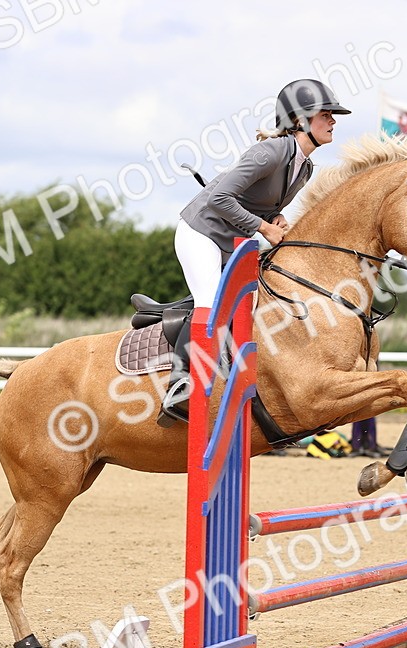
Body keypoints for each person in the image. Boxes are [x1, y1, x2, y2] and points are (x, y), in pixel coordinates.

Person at [159, 79, 352, 424]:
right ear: (301, 120)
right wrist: (265, 228)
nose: (333, 121)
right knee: (211, 304)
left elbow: (261, 204)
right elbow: (219, 199)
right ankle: (180, 385)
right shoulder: (271, 152)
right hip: (201, 232)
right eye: (326, 114)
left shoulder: (305, 168)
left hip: (234, 241)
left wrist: (275, 218)